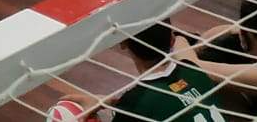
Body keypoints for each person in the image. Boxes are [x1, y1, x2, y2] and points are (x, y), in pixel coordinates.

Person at [53, 22, 226, 122]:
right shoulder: (193, 70)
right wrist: (111, 102)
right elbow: (171, 100)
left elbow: (154, 105)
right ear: (172, 38)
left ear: (123, 43)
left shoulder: (136, 105)